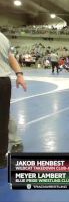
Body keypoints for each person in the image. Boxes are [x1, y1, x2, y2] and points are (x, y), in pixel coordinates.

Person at [0, 32, 27, 168]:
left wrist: (19, 74)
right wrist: (19, 74)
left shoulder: (2, 38)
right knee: (3, 117)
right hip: (4, 81)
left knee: (3, 118)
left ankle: (13, 143)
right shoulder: (3, 37)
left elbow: (10, 57)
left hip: (1, 79)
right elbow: (10, 56)